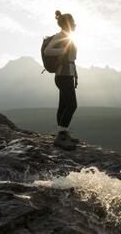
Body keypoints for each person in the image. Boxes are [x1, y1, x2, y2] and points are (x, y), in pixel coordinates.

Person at [44, 10, 79, 150]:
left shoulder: (67, 36)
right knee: (72, 105)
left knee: (64, 105)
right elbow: (47, 51)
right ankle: (61, 136)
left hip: (67, 75)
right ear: (68, 24)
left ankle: (62, 134)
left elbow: (71, 59)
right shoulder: (61, 36)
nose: (76, 25)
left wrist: (75, 75)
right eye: (74, 22)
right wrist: (62, 51)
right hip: (63, 75)